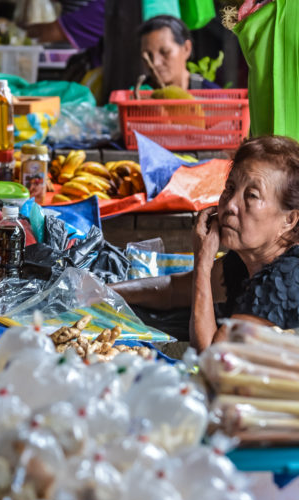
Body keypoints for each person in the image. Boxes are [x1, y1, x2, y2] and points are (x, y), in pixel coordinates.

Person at [113, 136, 299, 352]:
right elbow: (173, 290)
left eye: (251, 195)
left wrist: (203, 260)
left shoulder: (287, 279)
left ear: (289, 220)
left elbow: (211, 356)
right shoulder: (248, 259)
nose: (230, 205)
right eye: (230, 188)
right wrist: (101, 291)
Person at [138, 15, 220, 90]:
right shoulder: (134, 98)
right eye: (148, 56)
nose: (155, 63)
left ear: (186, 48)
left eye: (165, 52)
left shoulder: (213, 97)